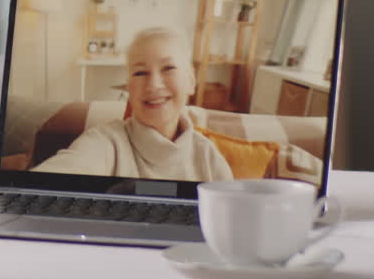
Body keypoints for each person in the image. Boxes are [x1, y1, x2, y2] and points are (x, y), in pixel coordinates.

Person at [32, 27, 233, 181]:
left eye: (168, 68)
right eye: (140, 72)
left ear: (190, 80)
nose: (153, 85)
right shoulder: (105, 143)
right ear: (129, 87)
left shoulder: (209, 158)